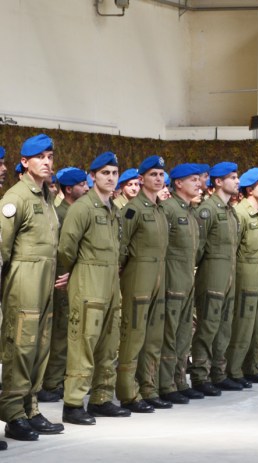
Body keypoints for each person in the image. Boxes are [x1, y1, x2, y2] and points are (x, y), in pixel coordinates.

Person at [0, 134, 64, 440]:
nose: (48, 162)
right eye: (41, 157)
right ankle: (13, 412)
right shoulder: (16, 198)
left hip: (45, 279)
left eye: (50, 157)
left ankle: (30, 407)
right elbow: (2, 249)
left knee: (40, 345)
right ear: (25, 162)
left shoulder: (47, 196)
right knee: (21, 346)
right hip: (23, 279)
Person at [60, 151, 129, 425]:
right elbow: (66, 248)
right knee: (83, 342)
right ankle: (73, 403)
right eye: (105, 173)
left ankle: (101, 398)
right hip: (88, 280)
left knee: (109, 343)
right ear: (93, 176)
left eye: (114, 173)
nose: (111, 178)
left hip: (111, 283)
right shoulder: (83, 208)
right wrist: (74, 273)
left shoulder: (113, 209)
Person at [116, 155, 170, 413]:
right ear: (141, 179)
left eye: (161, 175)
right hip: (137, 274)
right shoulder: (132, 209)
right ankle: (128, 393)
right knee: (134, 334)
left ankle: (148, 388)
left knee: (154, 336)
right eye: (153, 175)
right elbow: (122, 245)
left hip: (158, 274)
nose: (158, 179)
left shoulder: (159, 209)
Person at [38, 168, 89, 404]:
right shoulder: (63, 213)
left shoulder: (75, 210)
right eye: (81, 184)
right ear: (69, 189)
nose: (86, 188)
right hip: (63, 278)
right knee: (60, 331)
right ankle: (53, 382)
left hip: (73, 277)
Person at [189, 162, 240, 395]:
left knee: (224, 326)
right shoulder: (207, 210)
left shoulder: (230, 211)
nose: (237, 181)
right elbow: (197, 248)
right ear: (218, 182)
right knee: (208, 326)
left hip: (228, 274)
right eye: (232, 177)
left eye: (237, 177)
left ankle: (219, 373)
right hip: (211, 275)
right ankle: (200, 375)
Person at [158, 163, 205, 405]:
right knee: (169, 333)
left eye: (199, 179)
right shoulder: (167, 209)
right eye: (193, 180)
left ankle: (179, 380)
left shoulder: (189, 210)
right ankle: (165, 384)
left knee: (184, 334)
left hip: (187, 281)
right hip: (172, 280)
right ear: (178, 183)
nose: (199, 184)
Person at [225, 168, 258, 386]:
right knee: (242, 326)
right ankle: (234, 370)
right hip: (246, 278)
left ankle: (253, 366)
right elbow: (233, 250)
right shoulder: (240, 214)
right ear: (250, 190)